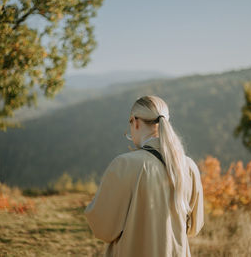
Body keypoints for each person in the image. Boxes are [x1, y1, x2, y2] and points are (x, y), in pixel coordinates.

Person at [84, 95, 204, 257]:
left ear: (135, 121)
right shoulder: (188, 166)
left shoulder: (124, 164)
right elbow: (193, 228)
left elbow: (103, 229)